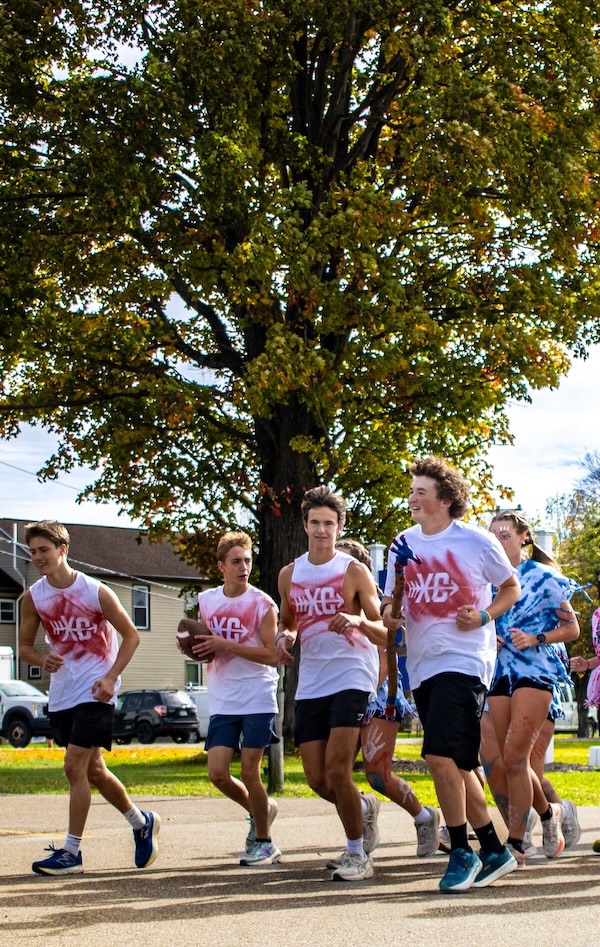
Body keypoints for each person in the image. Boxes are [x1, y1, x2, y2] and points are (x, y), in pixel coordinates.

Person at [380, 456, 521, 892]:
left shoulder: (475, 542)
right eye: (411, 491)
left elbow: (510, 587)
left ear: (444, 500)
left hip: (465, 660)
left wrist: (483, 615)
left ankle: (462, 851)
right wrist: (390, 611)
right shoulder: (401, 543)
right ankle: (495, 851)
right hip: (421, 662)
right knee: (459, 763)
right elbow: (390, 604)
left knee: (438, 754)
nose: (412, 497)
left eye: (421, 491)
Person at [19, 520, 159, 876]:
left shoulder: (95, 591)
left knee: (73, 766)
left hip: (96, 691)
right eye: (33, 551)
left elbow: (131, 636)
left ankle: (71, 852)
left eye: (44, 550)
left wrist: (112, 677)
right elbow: (22, 647)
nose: (37, 557)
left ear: (63, 549)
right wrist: (41, 658)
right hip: (63, 693)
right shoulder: (34, 596)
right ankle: (141, 822)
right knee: (94, 770)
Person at [277, 487, 385, 881]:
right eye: (315, 523)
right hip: (312, 681)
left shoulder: (353, 571)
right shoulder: (290, 574)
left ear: (339, 528)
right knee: (318, 779)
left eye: (329, 523)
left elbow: (385, 632)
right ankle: (363, 807)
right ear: (304, 524)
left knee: (339, 770)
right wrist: (284, 637)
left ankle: (358, 854)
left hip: (352, 674)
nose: (322, 530)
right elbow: (288, 621)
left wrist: (357, 621)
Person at [483, 511, 580, 865]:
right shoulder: (485, 580)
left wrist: (536, 637)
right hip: (498, 673)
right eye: (492, 534)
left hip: (535, 671)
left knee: (515, 757)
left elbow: (572, 631)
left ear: (524, 537)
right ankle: (548, 814)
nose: (498, 539)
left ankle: (517, 843)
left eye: (505, 533)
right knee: (511, 763)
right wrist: (486, 637)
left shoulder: (543, 578)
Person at [178, 530, 281, 866]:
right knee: (218, 773)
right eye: (236, 561)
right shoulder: (207, 600)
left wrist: (226, 645)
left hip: (257, 696)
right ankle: (261, 810)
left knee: (250, 771)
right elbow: (207, 646)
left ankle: (264, 842)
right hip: (223, 697)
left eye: (248, 561)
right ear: (221, 565)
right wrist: (193, 647)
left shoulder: (262, 603)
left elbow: (271, 655)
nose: (244, 567)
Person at [335, 538, 441, 859]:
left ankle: (424, 818)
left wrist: (371, 691)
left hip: (377, 695)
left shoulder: (379, 603)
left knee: (378, 775)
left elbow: (386, 651)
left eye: (343, 564)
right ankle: (364, 807)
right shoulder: (330, 599)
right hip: (341, 691)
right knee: (332, 775)